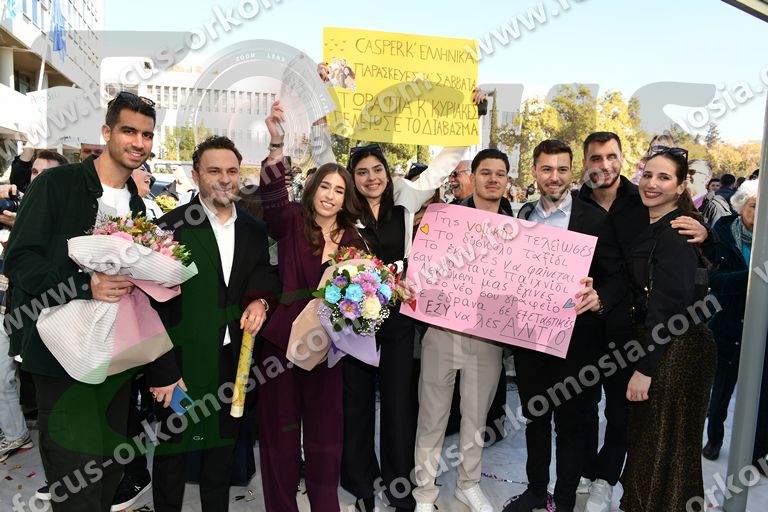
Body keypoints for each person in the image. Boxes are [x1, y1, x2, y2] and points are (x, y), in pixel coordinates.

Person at [4, 91, 154, 511]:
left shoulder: (136, 204)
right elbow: (19, 261)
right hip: (59, 353)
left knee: (108, 467)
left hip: (115, 355)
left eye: (146, 134)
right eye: (128, 131)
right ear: (107, 132)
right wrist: (83, 285)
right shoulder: (57, 184)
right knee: (74, 472)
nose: (138, 142)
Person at [576, 132, 710, 512]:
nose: (604, 165)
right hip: (589, 326)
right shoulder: (574, 204)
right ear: (586, 163)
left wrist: (706, 233)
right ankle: (589, 470)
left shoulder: (651, 205)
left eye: (611, 156)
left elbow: (672, 295)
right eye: (596, 158)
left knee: (630, 421)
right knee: (584, 408)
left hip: (647, 338)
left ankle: (607, 479)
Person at [147, 135, 279, 512]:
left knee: (221, 454)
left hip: (231, 362)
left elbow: (264, 273)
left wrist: (260, 299)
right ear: (195, 175)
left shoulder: (254, 229)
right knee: (173, 455)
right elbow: (149, 307)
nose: (225, 179)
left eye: (232, 171)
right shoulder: (169, 227)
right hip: (179, 365)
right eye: (214, 171)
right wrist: (163, 371)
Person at [257, 101, 364, 512]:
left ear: (345, 198)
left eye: (339, 190)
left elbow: (364, 295)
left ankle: (325, 505)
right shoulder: (290, 220)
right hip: (281, 344)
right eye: (325, 186)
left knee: (325, 438)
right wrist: (277, 143)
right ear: (313, 188)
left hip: (327, 347)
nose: (330, 196)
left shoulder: (353, 240)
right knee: (279, 436)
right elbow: (271, 195)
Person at [503, 140, 617, 512]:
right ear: (534, 172)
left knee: (571, 425)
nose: (555, 177)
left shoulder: (595, 219)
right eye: (547, 169)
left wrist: (600, 297)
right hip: (530, 342)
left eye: (562, 169)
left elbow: (616, 276)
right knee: (535, 419)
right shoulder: (521, 216)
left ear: (573, 172)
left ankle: (565, 500)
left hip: (577, 343)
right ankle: (537, 490)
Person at [411, 149, 517, 512]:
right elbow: (423, 266)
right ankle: (424, 493)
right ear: (473, 177)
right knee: (432, 417)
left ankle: (468, 485)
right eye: (485, 172)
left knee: (475, 419)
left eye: (500, 173)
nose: (493, 179)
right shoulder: (446, 218)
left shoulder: (520, 229)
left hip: (487, 338)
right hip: (442, 331)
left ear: (507, 180)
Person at [620, 146, 717, 511]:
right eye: (648, 175)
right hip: (667, 346)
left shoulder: (675, 231)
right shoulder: (656, 223)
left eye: (664, 177)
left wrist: (645, 370)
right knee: (660, 452)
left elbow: (667, 308)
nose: (652, 183)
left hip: (675, 350)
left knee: (661, 451)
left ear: (680, 186)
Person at [702, 180, 767, 467]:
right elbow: (713, 280)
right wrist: (752, 277)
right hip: (728, 324)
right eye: (754, 205)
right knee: (721, 392)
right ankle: (714, 439)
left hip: (762, 329)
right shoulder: (723, 235)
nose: (761, 212)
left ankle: (758, 452)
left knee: (762, 396)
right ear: (741, 206)